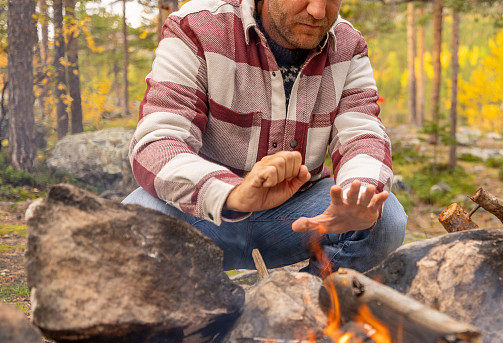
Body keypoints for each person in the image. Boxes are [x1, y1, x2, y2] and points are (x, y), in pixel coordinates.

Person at [123, 0, 406, 274]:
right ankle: (193, 313)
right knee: (133, 224)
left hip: (299, 217)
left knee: (385, 217)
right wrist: (232, 193)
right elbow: (157, 140)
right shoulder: (197, 25)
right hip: (206, 210)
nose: (318, 11)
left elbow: (363, 133)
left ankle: (306, 307)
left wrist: (356, 198)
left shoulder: (348, 45)